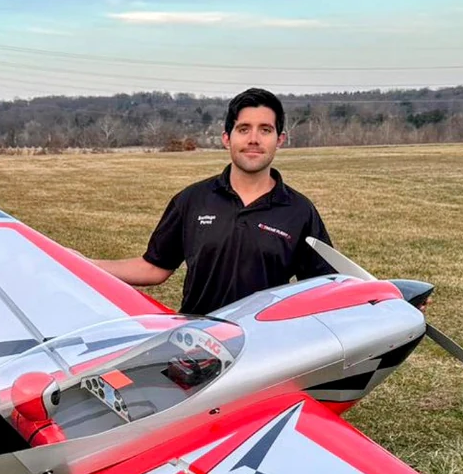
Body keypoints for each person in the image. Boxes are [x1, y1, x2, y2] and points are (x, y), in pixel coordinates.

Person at [92, 87, 336, 315]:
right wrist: (83, 264)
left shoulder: (299, 211)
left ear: (279, 139)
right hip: (198, 340)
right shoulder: (192, 200)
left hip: (264, 343)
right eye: (243, 129)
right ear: (227, 138)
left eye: (265, 130)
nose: (254, 139)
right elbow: (154, 268)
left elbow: (325, 287)